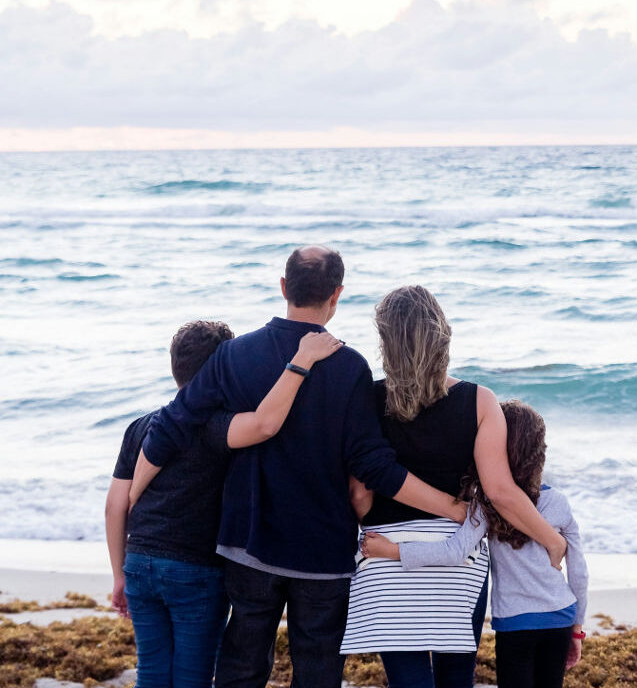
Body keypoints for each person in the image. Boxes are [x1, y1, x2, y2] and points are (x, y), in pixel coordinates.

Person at [128, 246, 468, 688]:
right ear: (337, 294)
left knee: (241, 668)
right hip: (322, 552)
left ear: (284, 287)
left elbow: (173, 424)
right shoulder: (350, 368)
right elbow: (374, 466)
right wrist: (451, 507)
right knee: (318, 670)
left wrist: (133, 496)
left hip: (248, 542)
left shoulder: (235, 355)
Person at [339, 286, 567, 688]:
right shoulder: (480, 400)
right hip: (456, 561)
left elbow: (359, 496)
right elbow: (500, 491)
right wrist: (551, 541)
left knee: (409, 681)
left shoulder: (366, 399)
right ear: (442, 334)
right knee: (457, 677)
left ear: (386, 341)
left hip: (388, 560)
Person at [105, 320, 343, 687]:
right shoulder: (217, 428)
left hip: (140, 563)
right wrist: (301, 362)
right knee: (193, 676)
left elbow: (115, 506)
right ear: (223, 369)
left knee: (151, 672)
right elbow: (266, 423)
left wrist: (119, 573)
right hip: (195, 569)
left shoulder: (141, 426)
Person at [363, 400, 589, 688]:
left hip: (515, 623)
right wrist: (577, 629)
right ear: (538, 451)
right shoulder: (558, 502)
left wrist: (392, 550)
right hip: (561, 617)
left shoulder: (486, 503)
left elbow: (454, 552)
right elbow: (579, 572)